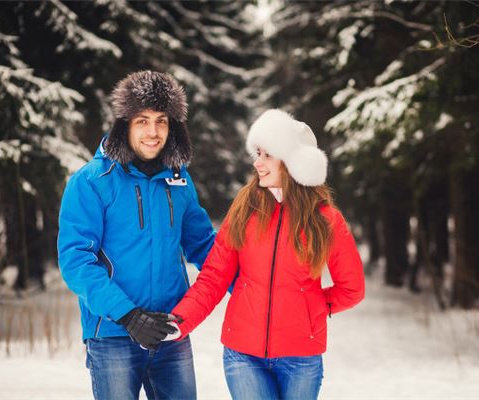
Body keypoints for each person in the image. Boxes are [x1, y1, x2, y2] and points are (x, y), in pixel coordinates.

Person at [171, 109, 365, 399]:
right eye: (257, 154)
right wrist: (178, 321)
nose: (257, 163)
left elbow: (352, 288)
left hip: (301, 357)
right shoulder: (245, 209)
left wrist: (311, 306)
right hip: (243, 354)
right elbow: (213, 277)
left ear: (293, 161)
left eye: (267, 155)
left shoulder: (326, 219)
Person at [58, 70, 216, 400]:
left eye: (162, 120)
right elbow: (76, 260)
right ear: (125, 124)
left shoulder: (179, 181)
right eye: (142, 121)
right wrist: (128, 316)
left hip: (170, 332)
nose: (153, 132)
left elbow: (205, 247)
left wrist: (252, 280)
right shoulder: (91, 181)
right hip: (113, 334)